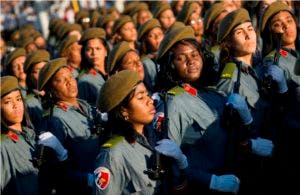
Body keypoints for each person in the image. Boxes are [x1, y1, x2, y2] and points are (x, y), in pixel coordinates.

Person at [156, 25, 242, 194]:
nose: (191, 61)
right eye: (181, 58)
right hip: (203, 187)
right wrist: (212, 182)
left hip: (230, 179)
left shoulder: (210, 92)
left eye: (195, 54)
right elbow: (170, 163)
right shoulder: (174, 102)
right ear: (171, 65)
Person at [216, 8, 284, 194]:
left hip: (272, 158)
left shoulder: (260, 68)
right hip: (248, 167)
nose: (248, 35)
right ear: (228, 43)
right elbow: (226, 130)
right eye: (239, 32)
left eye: (250, 29)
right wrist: (250, 143)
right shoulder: (231, 77)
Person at [94, 70, 188, 194]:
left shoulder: (155, 135)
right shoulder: (113, 154)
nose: (150, 101)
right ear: (124, 111)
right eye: (140, 97)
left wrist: (181, 164)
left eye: (147, 95)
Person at [37, 57, 105, 195]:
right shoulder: (54, 120)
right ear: (50, 89)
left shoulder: (86, 106)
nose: (70, 82)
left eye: (70, 77)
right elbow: (57, 169)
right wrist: (88, 179)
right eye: (62, 80)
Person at [1, 76, 67, 195]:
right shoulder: (3, 146)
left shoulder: (31, 134)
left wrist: (61, 154)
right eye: (7, 102)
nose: (16, 105)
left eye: (18, 99)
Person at [260, 2, 300, 193]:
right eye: (278, 23)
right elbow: (275, 109)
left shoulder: (297, 53)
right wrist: (283, 92)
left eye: (289, 20)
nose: (286, 26)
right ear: (271, 32)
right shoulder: (272, 60)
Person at [77, 27, 108, 106]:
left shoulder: (114, 72)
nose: (94, 53)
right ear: (84, 53)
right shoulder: (84, 80)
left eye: (98, 48)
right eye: (89, 49)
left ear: (105, 51)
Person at [23, 49, 50, 130]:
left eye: (45, 69)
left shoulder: (58, 93)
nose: (42, 74)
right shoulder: (28, 103)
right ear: (30, 76)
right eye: (37, 71)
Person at [138, 18, 164, 92]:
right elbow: (156, 87)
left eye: (160, 34)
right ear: (145, 40)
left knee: (193, 91)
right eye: (151, 36)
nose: (157, 37)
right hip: (163, 95)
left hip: (181, 88)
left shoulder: (168, 54)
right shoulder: (146, 62)